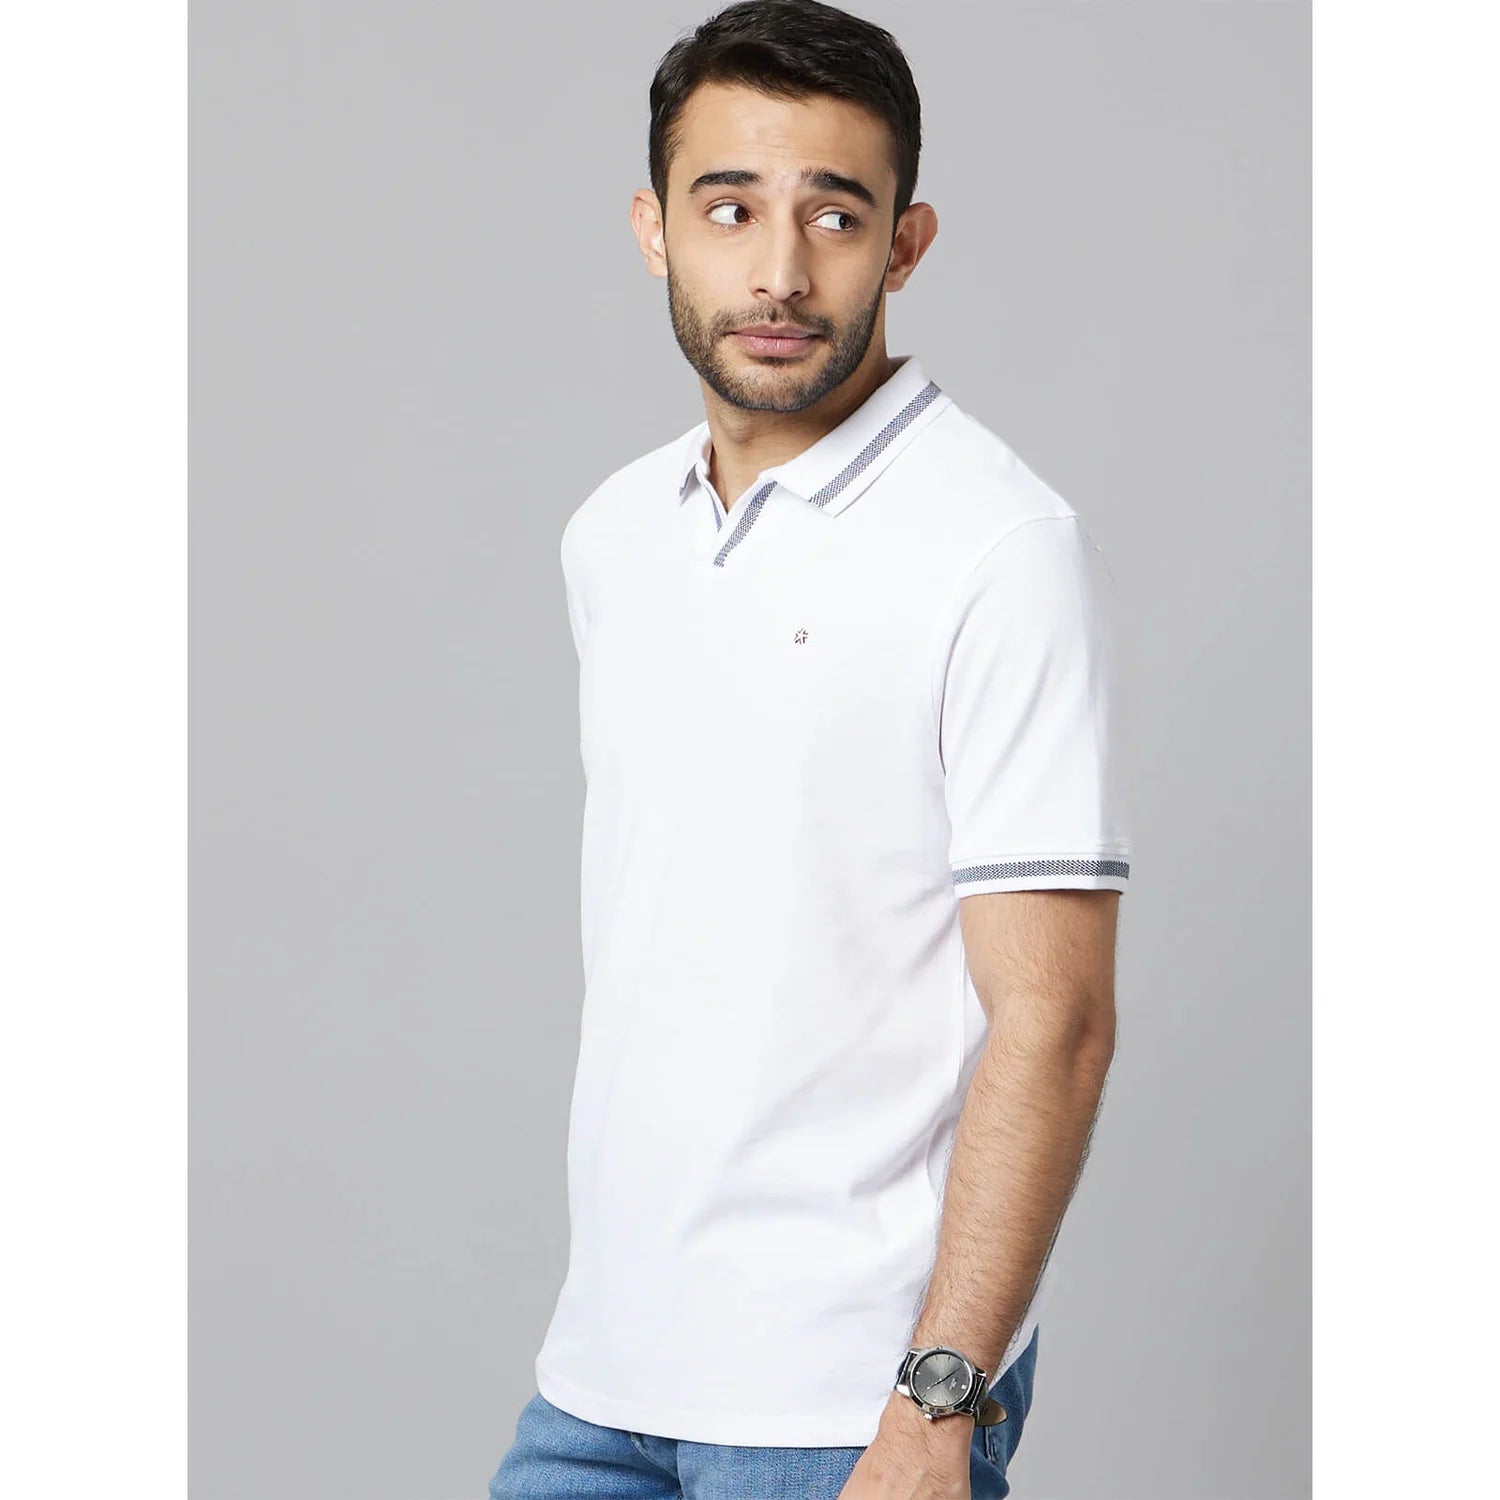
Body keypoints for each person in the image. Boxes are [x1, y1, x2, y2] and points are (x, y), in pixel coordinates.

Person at [487, 3, 1131, 1496]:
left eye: (834, 216)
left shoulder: (1000, 549)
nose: (779, 270)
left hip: (845, 1402)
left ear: (905, 245)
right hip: (603, 1373)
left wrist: (938, 1401)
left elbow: (1055, 1021)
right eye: (730, 209)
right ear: (654, 230)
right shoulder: (613, 532)